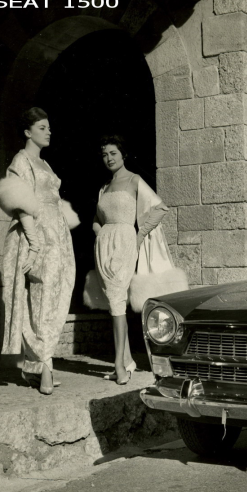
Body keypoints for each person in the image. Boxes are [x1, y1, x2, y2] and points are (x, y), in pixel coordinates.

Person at [0, 108, 78, 395]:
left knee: (56, 298)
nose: (48, 132)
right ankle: (44, 367)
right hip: (39, 235)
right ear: (27, 132)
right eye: (42, 127)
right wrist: (33, 242)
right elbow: (21, 202)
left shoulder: (45, 164)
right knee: (41, 300)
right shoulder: (21, 160)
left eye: (49, 127)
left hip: (58, 236)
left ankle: (38, 365)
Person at [93, 135, 169, 384]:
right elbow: (96, 220)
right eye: (105, 155)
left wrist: (139, 234)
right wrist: (100, 234)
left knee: (117, 301)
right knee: (114, 302)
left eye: (113, 153)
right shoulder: (104, 187)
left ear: (123, 154)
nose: (108, 158)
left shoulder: (134, 180)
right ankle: (126, 361)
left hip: (125, 243)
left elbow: (160, 208)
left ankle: (119, 366)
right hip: (104, 247)